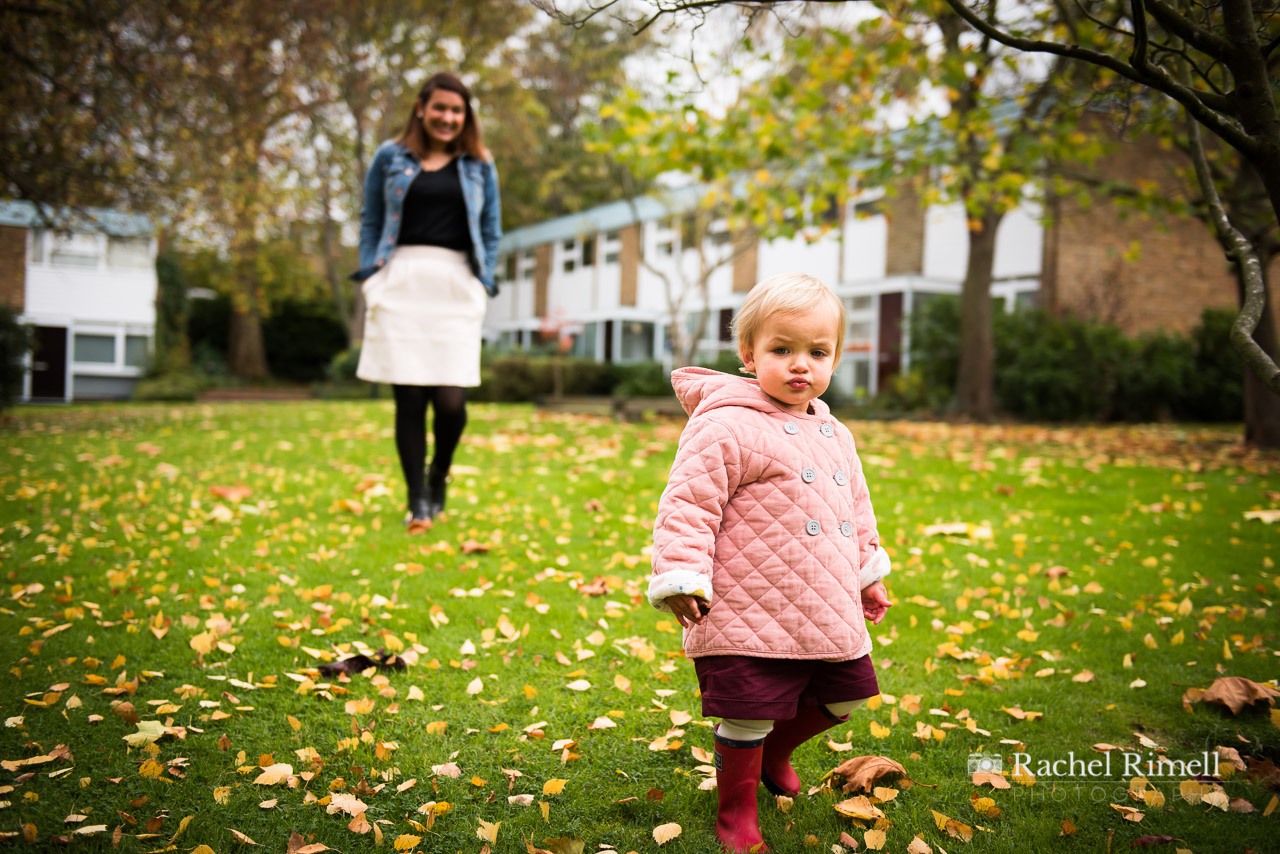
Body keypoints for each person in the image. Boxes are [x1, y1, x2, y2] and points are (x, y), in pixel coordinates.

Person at [647, 273, 893, 852]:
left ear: (836, 356)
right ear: (749, 353)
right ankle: (736, 811)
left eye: (817, 351)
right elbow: (688, 504)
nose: (800, 365)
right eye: (782, 350)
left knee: (848, 692)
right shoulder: (725, 422)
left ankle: (775, 751)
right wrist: (682, 574)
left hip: (823, 599)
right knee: (750, 708)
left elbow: (856, 509)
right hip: (747, 603)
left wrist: (868, 572)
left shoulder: (835, 432)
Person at [352, 71, 501, 528]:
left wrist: (482, 285)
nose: (448, 117)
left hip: (456, 284)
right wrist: (371, 280)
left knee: (451, 402)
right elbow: (371, 221)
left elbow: (492, 231)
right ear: (421, 107)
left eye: (457, 110)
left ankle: (439, 475)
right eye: (440, 108)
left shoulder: (479, 164)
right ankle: (417, 499)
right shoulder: (389, 157)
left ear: (466, 115)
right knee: (410, 400)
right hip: (400, 282)